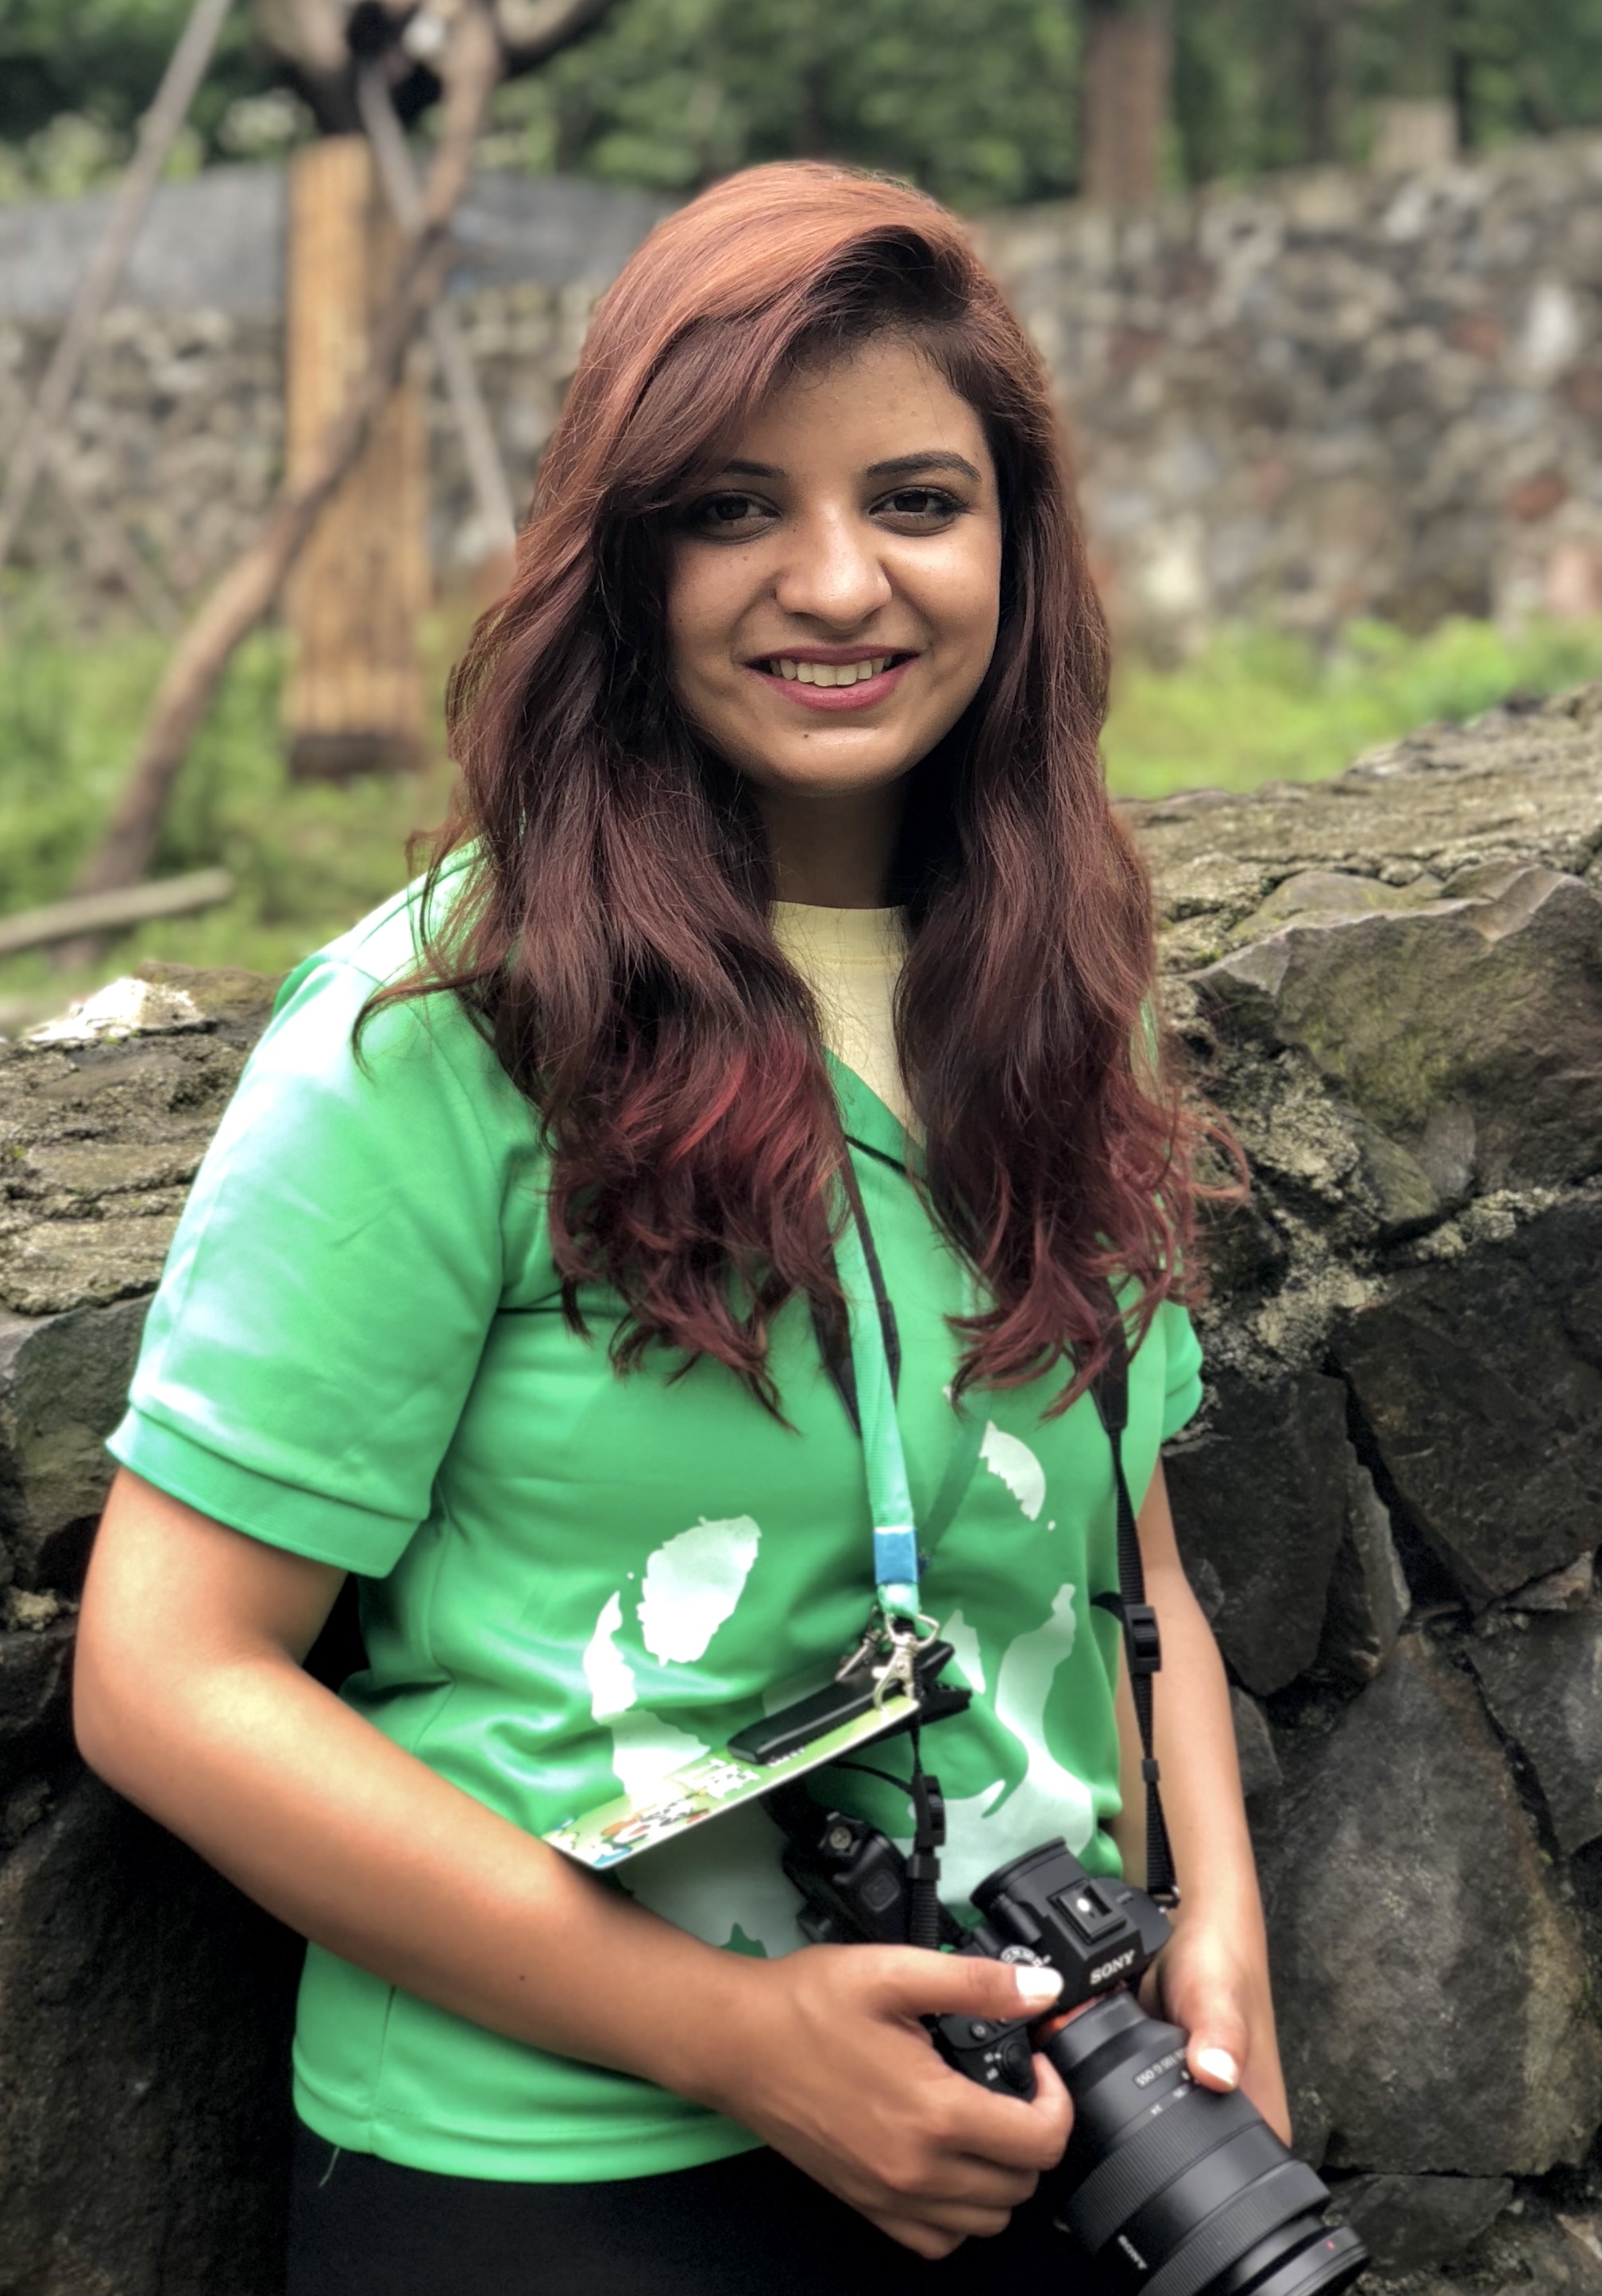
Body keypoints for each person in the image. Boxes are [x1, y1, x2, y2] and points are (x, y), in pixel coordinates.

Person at [74, 161, 1288, 2295]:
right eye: (733, 508)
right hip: (550, 2162)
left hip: (1033, 2126)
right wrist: (729, 2036)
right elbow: (166, 1674)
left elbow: (1137, 1551)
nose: (836, 582)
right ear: (618, 561)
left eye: (915, 499)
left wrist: (1216, 1937)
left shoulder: (1061, 984)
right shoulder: (442, 1031)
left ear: (1015, 535)